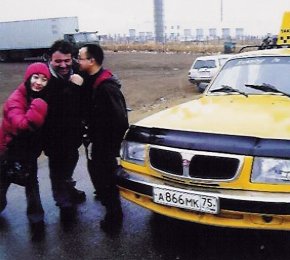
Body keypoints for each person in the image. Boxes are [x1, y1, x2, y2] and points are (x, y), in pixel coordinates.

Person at [78, 44, 129, 232]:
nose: (77, 61)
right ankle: (110, 205)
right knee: (100, 179)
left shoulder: (106, 87)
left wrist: (104, 145)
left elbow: (120, 121)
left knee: (104, 180)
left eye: (80, 58)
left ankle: (113, 219)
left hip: (102, 146)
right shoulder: (90, 79)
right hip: (94, 143)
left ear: (91, 61)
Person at [0, 62, 50, 236]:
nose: (39, 82)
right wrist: (39, 106)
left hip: (27, 152)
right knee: (2, 181)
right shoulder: (16, 99)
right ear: (28, 78)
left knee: (31, 184)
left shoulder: (38, 96)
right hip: (8, 151)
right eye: (36, 77)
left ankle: (36, 220)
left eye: (44, 79)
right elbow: (21, 125)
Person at [43, 40, 86, 221]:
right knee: (57, 167)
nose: (63, 65)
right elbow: (56, 107)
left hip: (72, 133)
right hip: (52, 135)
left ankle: (69, 188)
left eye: (67, 61)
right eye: (58, 61)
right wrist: (73, 86)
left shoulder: (77, 71)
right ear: (50, 59)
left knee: (72, 158)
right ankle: (63, 202)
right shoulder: (43, 78)